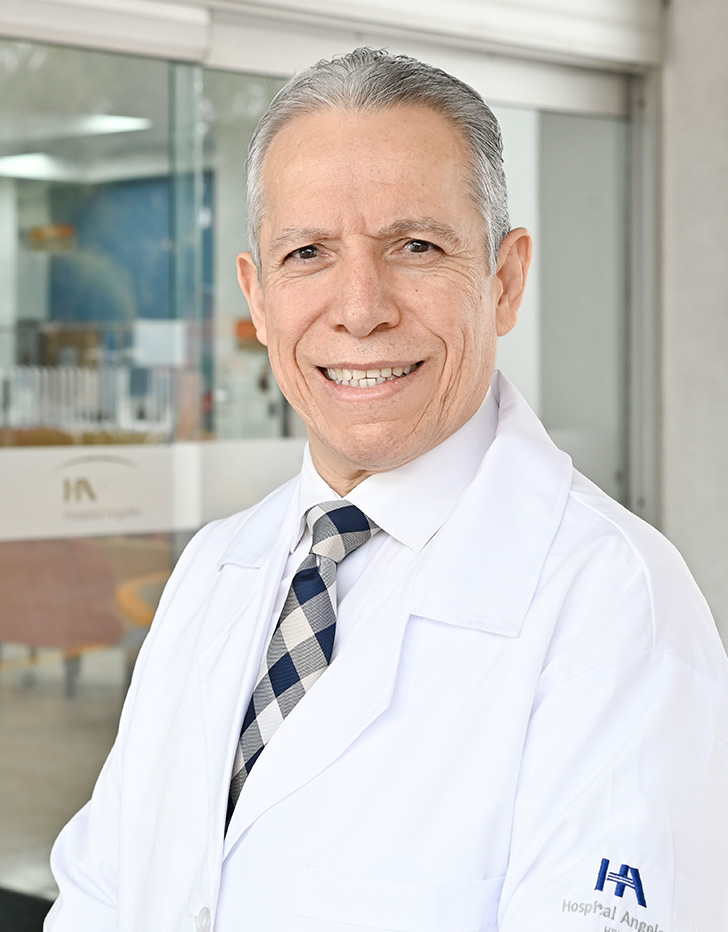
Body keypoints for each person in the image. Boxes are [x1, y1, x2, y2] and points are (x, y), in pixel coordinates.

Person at [45, 48, 728, 932]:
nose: (359, 307)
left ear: (505, 278)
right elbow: (102, 895)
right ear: (258, 297)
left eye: (415, 246)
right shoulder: (217, 571)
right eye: (308, 252)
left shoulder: (613, 602)